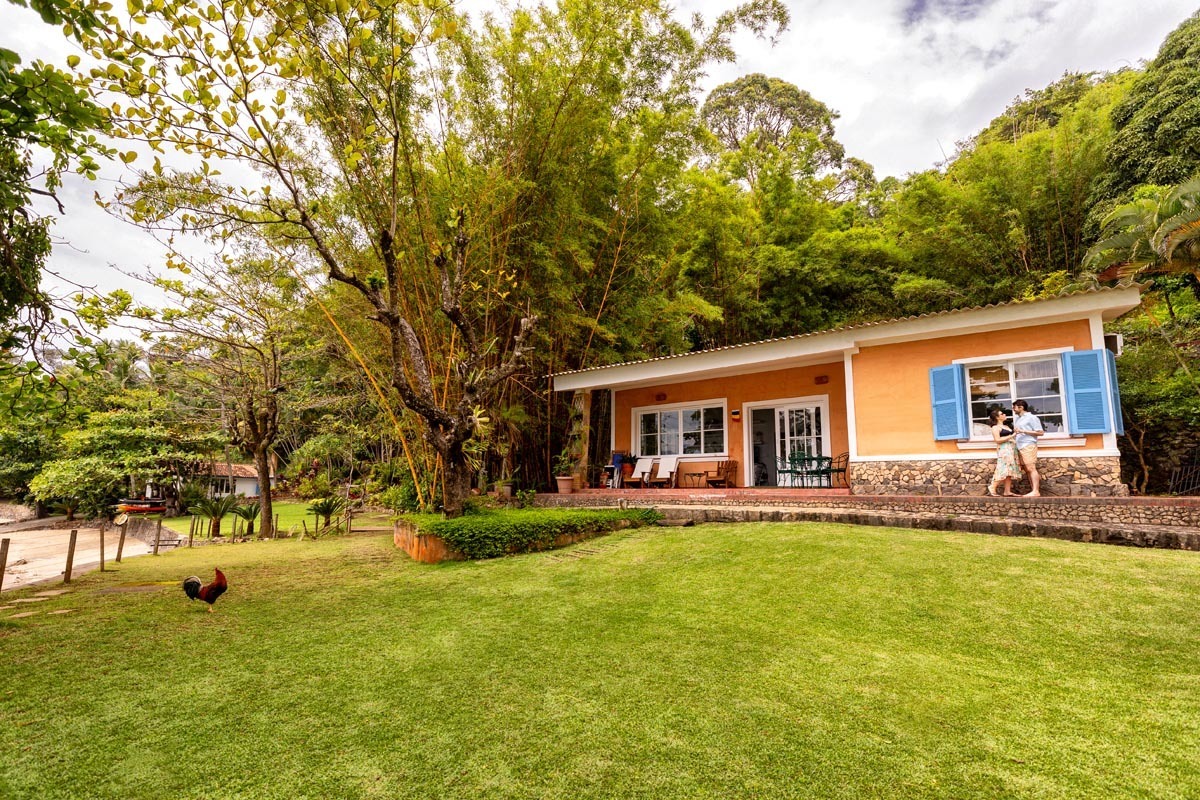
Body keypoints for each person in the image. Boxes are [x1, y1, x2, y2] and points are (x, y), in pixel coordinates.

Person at [1011, 399, 1045, 497]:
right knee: (1027, 469)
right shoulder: (1018, 419)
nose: (1013, 410)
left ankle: (1036, 491)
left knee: (1031, 467)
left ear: (1021, 407)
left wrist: (1023, 431)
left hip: (1028, 445)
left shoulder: (1032, 418)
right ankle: (1033, 490)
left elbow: (1040, 432)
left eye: (1014, 407)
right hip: (1019, 446)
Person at [986, 408, 1021, 496]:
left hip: (1012, 448)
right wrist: (1011, 435)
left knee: (1010, 470)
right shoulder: (995, 427)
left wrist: (1015, 433)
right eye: (1002, 414)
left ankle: (1007, 491)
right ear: (997, 417)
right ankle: (992, 486)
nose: (1004, 415)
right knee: (1004, 468)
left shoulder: (1007, 427)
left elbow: (1012, 437)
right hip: (1004, 449)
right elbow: (997, 440)